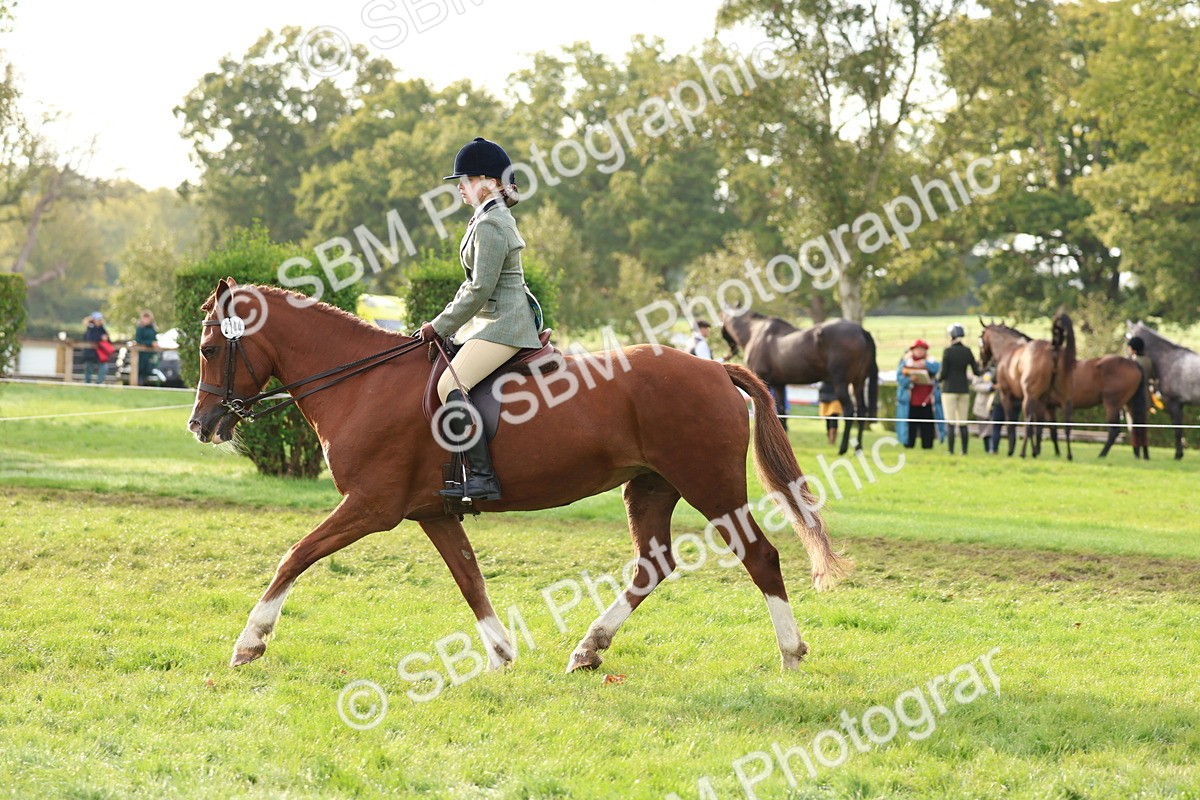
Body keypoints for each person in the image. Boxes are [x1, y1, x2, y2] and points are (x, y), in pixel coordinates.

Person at [415, 137, 543, 502]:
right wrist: (444, 323)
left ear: (487, 180)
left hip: (504, 324)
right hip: (491, 320)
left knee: (448, 386)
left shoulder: (491, 223)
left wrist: (438, 326)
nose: (459, 187)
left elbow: (479, 290)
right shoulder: (485, 217)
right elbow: (470, 284)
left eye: (466, 179)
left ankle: (484, 478)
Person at [939, 323, 982, 454]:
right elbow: (976, 371)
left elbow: (943, 373)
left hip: (949, 390)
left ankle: (951, 450)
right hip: (963, 389)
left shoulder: (948, 351)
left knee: (950, 421)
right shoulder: (967, 351)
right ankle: (964, 450)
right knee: (963, 422)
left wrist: (937, 378)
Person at [895, 339, 944, 449]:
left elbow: (939, 370)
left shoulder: (931, 362)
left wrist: (925, 365)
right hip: (911, 401)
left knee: (927, 426)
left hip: (927, 400)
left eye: (922, 349)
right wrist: (910, 379)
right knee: (910, 425)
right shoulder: (906, 363)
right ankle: (908, 443)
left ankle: (927, 445)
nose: (919, 352)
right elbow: (900, 379)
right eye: (917, 349)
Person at [81, 312, 111, 384]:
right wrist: (101, 338)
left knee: (103, 368)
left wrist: (106, 339)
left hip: (100, 353)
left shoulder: (102, 329)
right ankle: (87, 383)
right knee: (89, 369)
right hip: (90, 353)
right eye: (98, 319)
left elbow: (108, 340)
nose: (99, 321)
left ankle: (99, 383)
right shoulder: (90, 328)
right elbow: (90, 339)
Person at [134, 310, 159, 385]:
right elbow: (138, 340)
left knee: (149, 369)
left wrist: (154, 344)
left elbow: (154, 339)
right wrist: (150, 343)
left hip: (150, 353)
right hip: (141, 353)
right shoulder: (140, 329)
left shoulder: (153, 329)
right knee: (141, 369)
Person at [817, 381, 842, 445]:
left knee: (833, 417)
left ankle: (832, 440)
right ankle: (830, 440)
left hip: (835, 395)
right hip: (825, 394)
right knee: (828, 418)